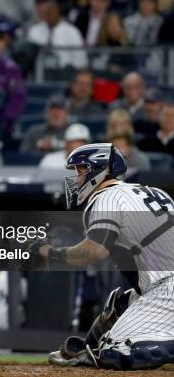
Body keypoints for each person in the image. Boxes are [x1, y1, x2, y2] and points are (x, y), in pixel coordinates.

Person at [27, 143, 174, 370]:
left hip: (167, 289)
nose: (77, 179)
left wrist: (49, 253)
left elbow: (94, 251)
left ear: (100, 170)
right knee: (118, 305)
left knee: (114, 350)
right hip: (162, 285)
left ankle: (102, 349)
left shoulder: (107, 196)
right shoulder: (150, 191)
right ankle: (87, 346)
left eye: (81, 171)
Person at [27, 0, 87, 69]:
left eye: (52, 12)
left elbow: (81, 57)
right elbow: (29, 56)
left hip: (65, 73)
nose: (50, 15)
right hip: (40, 73)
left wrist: (72, 69)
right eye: (47, 12)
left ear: (58, 12)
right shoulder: (34, 30)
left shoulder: (72, 31)